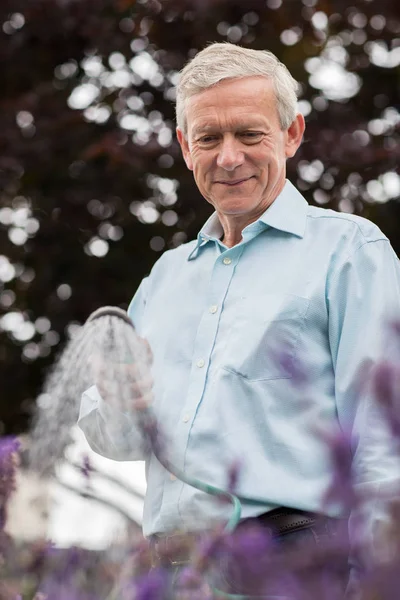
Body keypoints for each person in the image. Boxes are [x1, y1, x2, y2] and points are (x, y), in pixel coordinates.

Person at [78, 43, 400, 593]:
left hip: (293, 567)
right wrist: (118, 398)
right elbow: (118, 440)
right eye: (209, 138)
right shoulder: (164, 278)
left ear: (292, 134)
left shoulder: (350, 252)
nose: (229, 157)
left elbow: (383, 445)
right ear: (185, 146)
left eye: (250, 135)